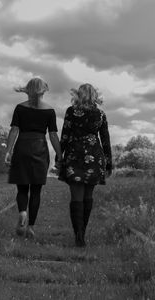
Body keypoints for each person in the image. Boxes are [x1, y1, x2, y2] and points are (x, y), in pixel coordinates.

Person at [5, 77, 62, 238]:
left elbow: (14, 130)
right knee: (36, 190)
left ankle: (22, 212)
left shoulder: (20, 108)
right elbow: (53, 135)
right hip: (39, 148)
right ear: (43, 91)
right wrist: (59, 154)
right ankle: (30, 227)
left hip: (22, 146)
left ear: (28, 89)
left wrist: (8, 151)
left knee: (22, 187)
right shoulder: (50, 111)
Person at [58, 83, 112, 247]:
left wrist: (59, 157)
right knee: (88, 196)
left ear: (79, 95)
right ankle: (82, 234)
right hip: (95, 158)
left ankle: (78, 234)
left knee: (76, 197)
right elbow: (105, 140)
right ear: (94, 96)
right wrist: (109, 163)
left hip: (75, 155)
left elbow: (65, 135)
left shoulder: (71, 111)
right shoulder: (101, 114)